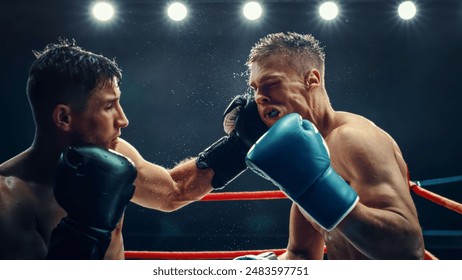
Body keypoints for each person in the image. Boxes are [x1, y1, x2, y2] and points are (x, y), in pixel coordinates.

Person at [0, 39, 265, 259]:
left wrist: (239, 145)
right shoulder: (9, 199)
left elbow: (174, 192)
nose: (123, 119)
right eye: (108, 106)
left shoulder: (117, 152)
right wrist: (84, 232)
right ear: (64, 118)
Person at [235, 32, 425, 260]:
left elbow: (409, 252)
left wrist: (321, 192)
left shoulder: (352, 139)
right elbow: (301, 252)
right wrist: (268, 267)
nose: (259, 97)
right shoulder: (307, 151)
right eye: (255, 88)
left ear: (311, 80)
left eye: (271, 83)